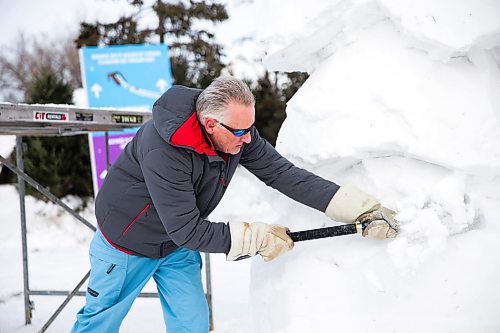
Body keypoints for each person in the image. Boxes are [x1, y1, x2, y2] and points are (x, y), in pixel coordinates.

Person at [72, 76, 398, 332]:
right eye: (241, 131)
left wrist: (358, 207)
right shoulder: (164, 150)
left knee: (192, 324)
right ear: (210, 124)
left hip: (173, 246)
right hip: (126, 244)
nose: (248, 139)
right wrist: (254, 237)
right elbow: (188, 229)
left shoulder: (235, 132)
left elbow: (284, 175)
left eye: (250, 128)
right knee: (99, 323)